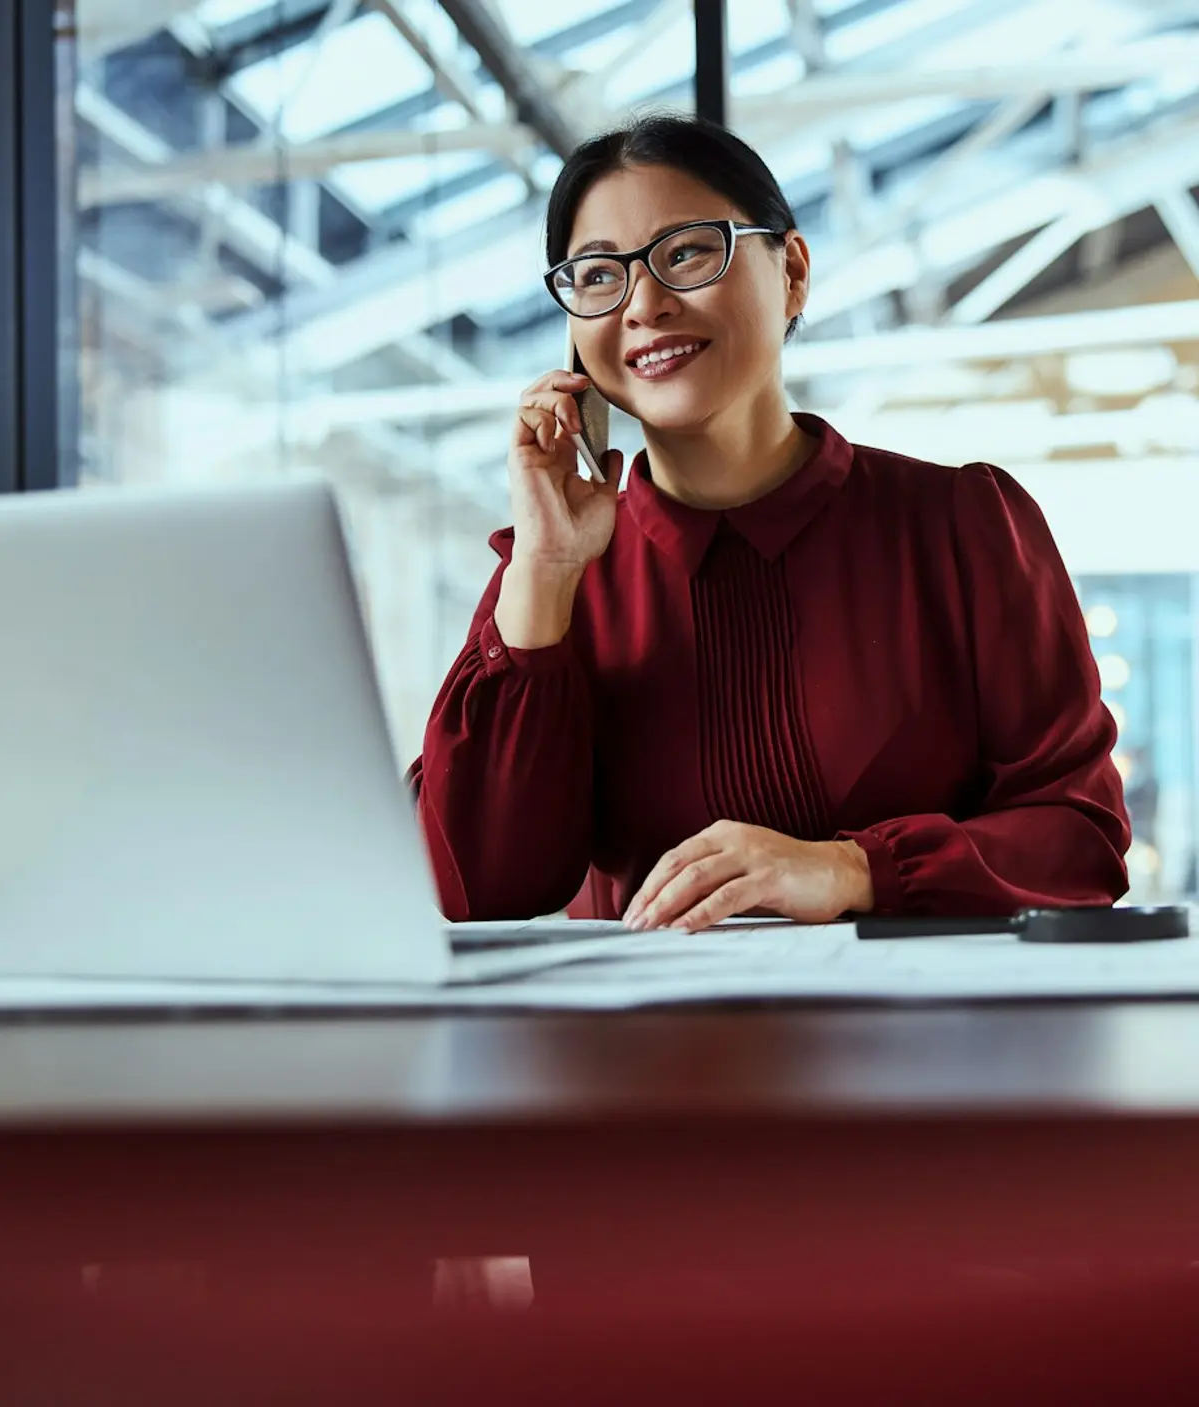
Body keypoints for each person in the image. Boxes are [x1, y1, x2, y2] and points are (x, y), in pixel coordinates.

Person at [408, 114, 1130, 930]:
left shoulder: (961, 527)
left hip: (921, 1012)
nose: (644, 304)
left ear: (791, 272)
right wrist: (544, 573)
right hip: (655, 1017)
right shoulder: (555, 574)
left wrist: (852, 868)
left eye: (688, 252)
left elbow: (1080, 839)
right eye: (600, 275)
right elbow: (476, 891)